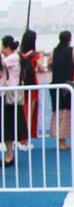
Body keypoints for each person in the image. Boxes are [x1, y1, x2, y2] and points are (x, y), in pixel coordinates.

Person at [1, 35, 28, 167]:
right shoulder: (15, 56)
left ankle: (10, 155)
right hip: (8, 96)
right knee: (8, 126)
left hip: (9, 97)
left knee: (8, 126)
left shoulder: (12, 57)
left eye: (2, 47)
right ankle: (9, 154)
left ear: (7, 47)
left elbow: (2, 64)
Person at [48, 30, 74, 150]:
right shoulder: (72, 51)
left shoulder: (54, 52)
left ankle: (59, 140)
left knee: (57, 112)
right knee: (66, 113)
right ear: (69, 39)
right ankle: (62, 142)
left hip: (55, 86)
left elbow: (49, 64)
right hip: (67, 86)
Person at [18, 29, 43, 143]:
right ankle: (25, 140)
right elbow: (41, 68)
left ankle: (19, 139)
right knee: (29, 114)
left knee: (21, 113)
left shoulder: (18, 54)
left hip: (20, 87)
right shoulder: (34, 55)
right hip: (32, 87)